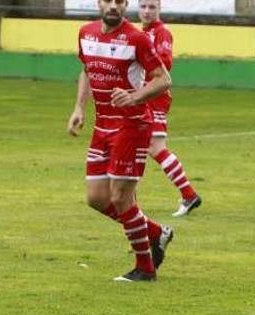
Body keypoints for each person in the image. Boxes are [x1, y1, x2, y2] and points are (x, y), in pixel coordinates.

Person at [67, 0, 174, 282]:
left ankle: (145, 269)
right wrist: (79, 108)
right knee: (97, 199)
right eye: (108, 0)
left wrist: (134, 97)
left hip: (132, 124)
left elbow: (163, 79)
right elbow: (87, 71)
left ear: (125, 5)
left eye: (120, 1)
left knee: (121, 197)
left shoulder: (137, 38)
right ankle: (155, 232)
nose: (113, 6)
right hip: (102, 125)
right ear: (99, 3)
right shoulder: (86, 33)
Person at [138, 0, 202, 217]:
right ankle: (126, 196)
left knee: (155, 147)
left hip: (155, 96)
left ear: (159, 9)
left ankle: (189, 194)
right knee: (139, 145)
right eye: (143, 6)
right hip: (144, 95)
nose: (147, 11)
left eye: (151, 7)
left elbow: (165, 61)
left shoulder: (161, 32)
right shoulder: (143, 32)